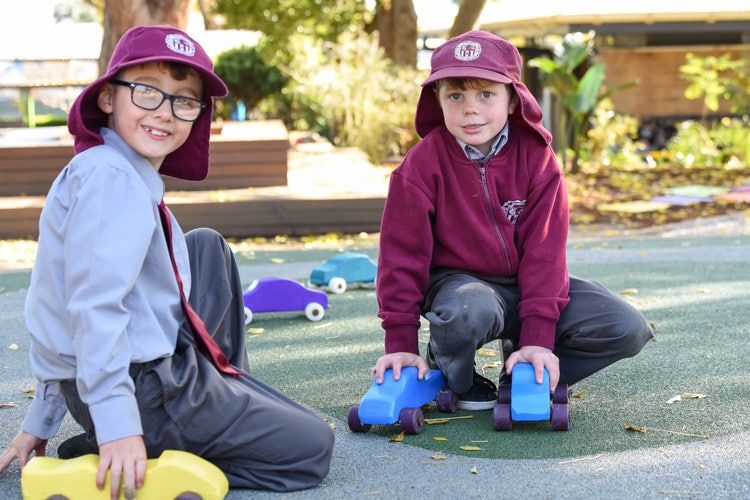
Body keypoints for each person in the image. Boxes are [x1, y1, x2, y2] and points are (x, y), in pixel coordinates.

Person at [0, 25, 333, 498]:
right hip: (137, 387)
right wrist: (117, 425)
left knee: (206, 246)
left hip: (122, 374)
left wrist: (44, 417)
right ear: (109, 99)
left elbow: (57, 297)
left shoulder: (108, 169)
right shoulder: (112, 181)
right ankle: (141, 453)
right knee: (309, 446)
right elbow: (90, 307)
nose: (166, 112)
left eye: (184, 100)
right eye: (147, 92)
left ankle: (194, 415)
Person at [372, 31, 654, 410]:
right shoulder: (419, 168)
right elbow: (400, 259)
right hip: (462, 289)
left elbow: (545, 254)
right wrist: (401, 345)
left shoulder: (538, 160)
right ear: (437, 101)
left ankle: (525, 368)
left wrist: (538, 337)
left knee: (627, 327)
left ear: (512, 100)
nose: (470, 109)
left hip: (530, 284)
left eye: (485, 94)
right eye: (455, 96)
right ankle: (454, 373)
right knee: (466, 311)